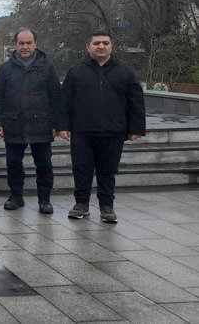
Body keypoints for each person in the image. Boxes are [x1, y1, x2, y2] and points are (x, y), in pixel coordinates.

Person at [62, 30, 145, 223]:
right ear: (88, 47)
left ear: (111, 47)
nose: (101, 46)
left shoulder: (125, 72)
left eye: (105, 43)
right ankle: (81, 204)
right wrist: (62, 126)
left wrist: (136, 128)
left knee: (107, 170)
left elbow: (136, 101)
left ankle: (107, 206)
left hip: (113, 131)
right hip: (82, 131)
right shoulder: (76, 71)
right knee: (81, 169)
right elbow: (64, 101)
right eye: (97, 43)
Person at [0, 29, 68, 214]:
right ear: (15, 44)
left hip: (41, 124)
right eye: (21, 43)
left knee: (44, 164)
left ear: (35, 43)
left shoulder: (47, 67)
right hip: (13, 123)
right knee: (13, 164)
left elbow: (56, 98)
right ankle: (16, 196)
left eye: (29, 43)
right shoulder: (5, 68)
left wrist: (58, 125)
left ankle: (44, 200)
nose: (25, 47)